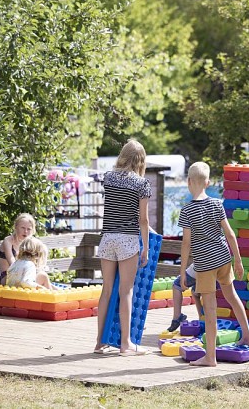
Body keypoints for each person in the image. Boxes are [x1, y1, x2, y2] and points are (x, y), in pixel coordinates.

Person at [179, 162, 249, 367]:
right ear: (207, 182)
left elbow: (186, 243)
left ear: (188, 183)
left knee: (210, 309)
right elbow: (230, 234)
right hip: (223, 258)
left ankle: (210, 357)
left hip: (205, 264)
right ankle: (247, 335)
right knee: (232, 296)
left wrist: (183, 271)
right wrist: (237, 260)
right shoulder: (216, 204)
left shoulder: (187, 211)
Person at [94, 139, 152, 356]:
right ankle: (126, 345)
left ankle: (100, 342)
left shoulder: (108, 178)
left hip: (107, 238)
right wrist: (145, 247)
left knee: (106, 290)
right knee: (126, 291)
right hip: (127, 239)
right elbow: (143, 221)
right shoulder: (142, 184)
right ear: (140, 160)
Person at [0, 213, 36, 285]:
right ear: (16, 227)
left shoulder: (30, 243)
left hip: (24, 277)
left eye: (29, 229)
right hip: (8, 278)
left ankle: (61, 293)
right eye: (23, 228)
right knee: (40, 278)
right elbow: (13, 265)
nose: (25, 231)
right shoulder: (8, 241)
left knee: (43, 276)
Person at [167, 262, 203, 332]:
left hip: (201, 265)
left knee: (177, 285)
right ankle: (202, 318)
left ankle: (177, 317)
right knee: (195, 291)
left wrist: (183, 274)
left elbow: (185, 256)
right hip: (217, 267)